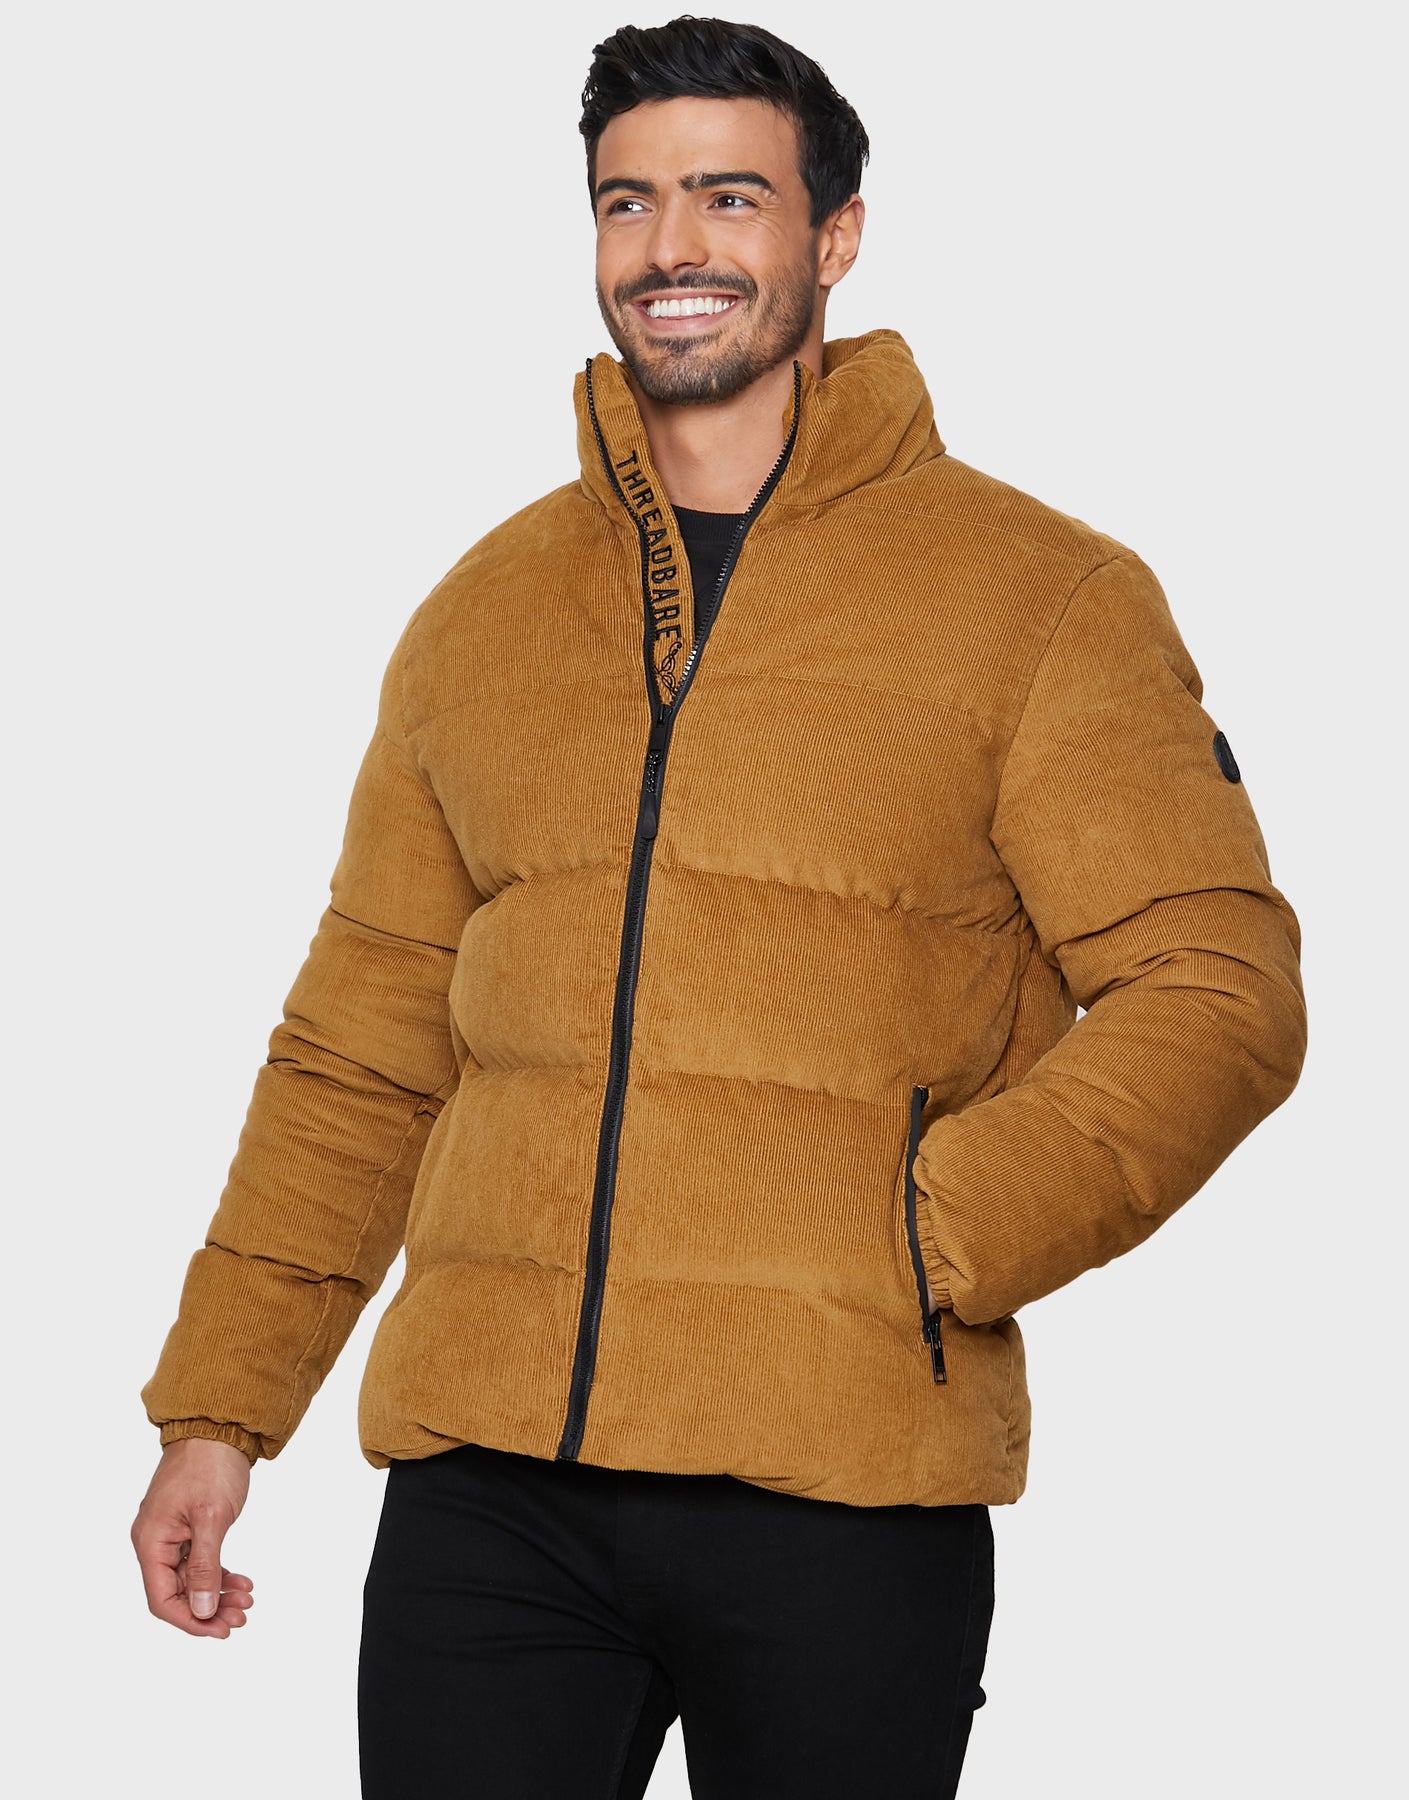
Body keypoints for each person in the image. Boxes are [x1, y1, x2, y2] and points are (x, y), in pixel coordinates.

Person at [130, 16, 1308, 1797]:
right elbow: (362, 1052)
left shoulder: (1039, 597)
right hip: (488, 1494)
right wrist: (222, 1408)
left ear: (834, 235)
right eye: (628, 202)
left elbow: (1217, 987)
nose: (670, 246)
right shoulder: (484, 613)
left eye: (728, 197)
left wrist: (931, 1239)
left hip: (838, 1482)